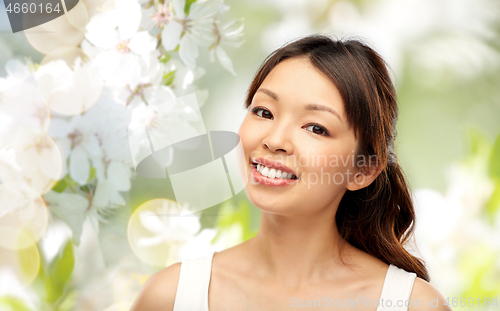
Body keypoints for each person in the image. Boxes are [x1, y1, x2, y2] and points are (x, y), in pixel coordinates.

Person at [130, 35, 452, 311]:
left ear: (363, 170)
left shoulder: (412, 303)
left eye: (316, 127)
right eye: (264, 112)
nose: (274, 140)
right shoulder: (171, 296)